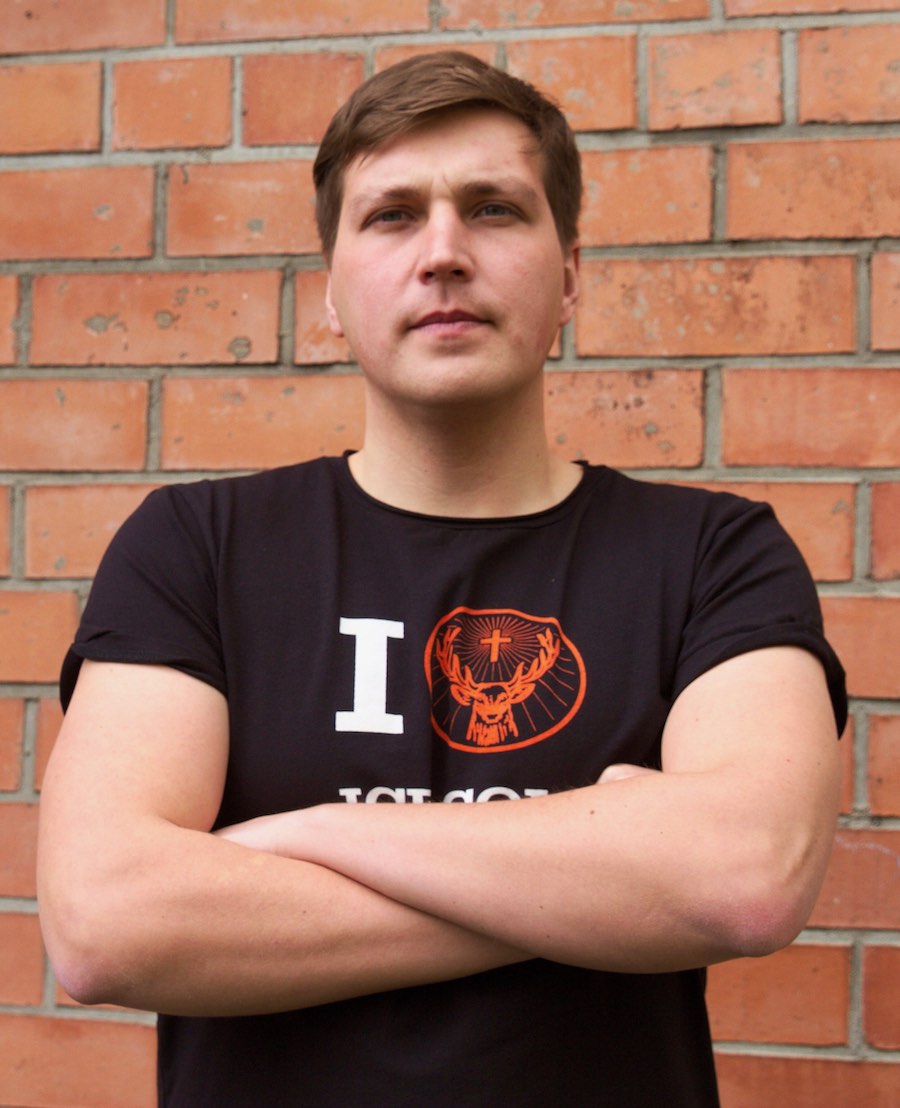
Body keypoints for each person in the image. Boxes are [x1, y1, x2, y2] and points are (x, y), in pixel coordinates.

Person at [38, 51, 846, 1107]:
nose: (444, 254)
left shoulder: (714, 555)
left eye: (494, 209)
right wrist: (606, 880)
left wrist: (307, 836)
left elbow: (743, 877)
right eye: (392, 216)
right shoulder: (196, 546)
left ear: (569, 276)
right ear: (331, 292)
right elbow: (106, 924)